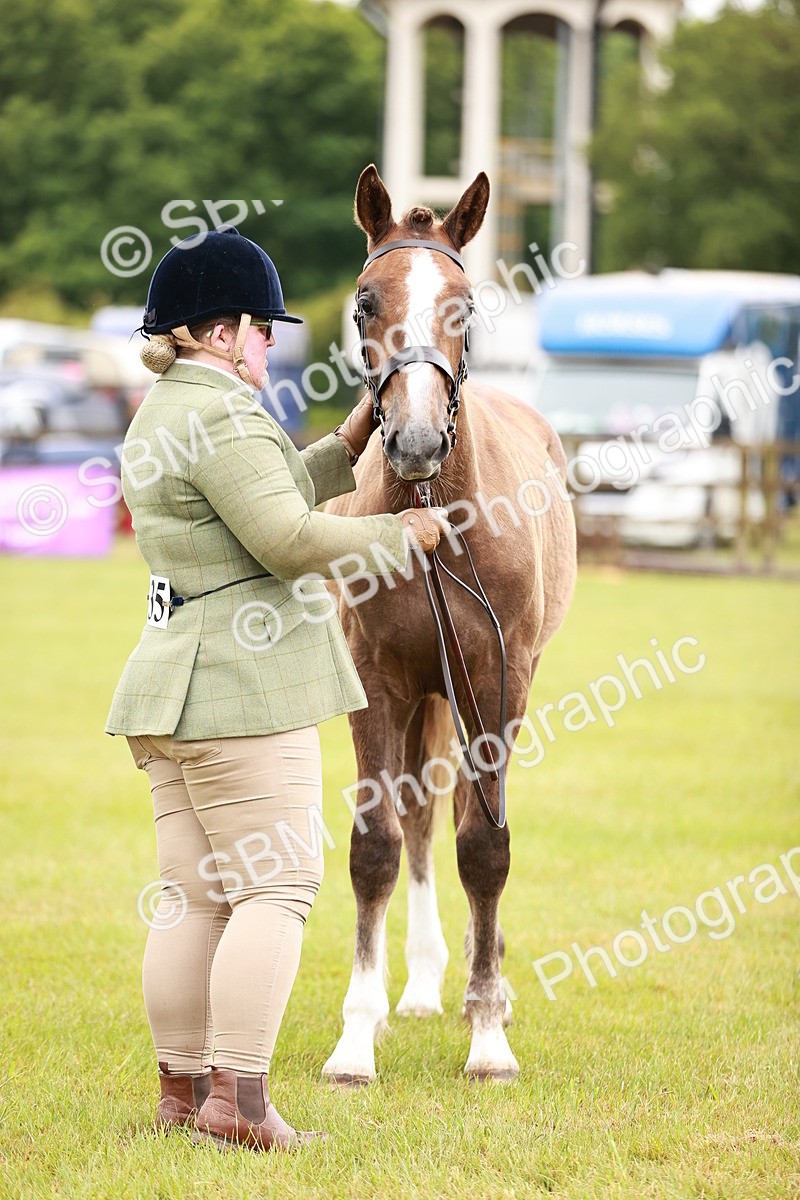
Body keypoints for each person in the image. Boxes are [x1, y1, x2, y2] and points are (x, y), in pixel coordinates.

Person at [105, 227, 449, 1151]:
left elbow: (262, 502)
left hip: (175, 681)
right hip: (240, 687)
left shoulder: (169, 409)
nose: (269, 344)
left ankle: (181, 1093)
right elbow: (288, 540)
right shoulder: (223, 412)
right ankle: (239, 1103)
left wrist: (346, 442)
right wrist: (398, 539)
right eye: (261, 329)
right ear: (219, 333)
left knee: (197, 892)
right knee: (280, 886)